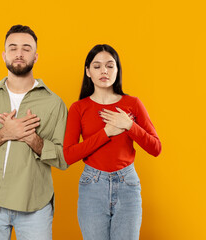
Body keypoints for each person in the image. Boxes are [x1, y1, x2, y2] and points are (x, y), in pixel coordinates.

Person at [0, 25, 68, 240]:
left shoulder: (54, 103)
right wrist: (3, 134)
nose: (19, 53)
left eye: (26, 48)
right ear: (4, 54)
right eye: (13, 47)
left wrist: (32, 139)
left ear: (35, 56)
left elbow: (64, 158)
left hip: (35, 205)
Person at [63, 44, 162, 240]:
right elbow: (69, 155)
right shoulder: (78, 108)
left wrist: (129, 126)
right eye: (97, 66)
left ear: (117, 70)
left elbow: (156, 147)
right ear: (88, 72)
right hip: (92, 185)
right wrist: (106, 132)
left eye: (110, 65)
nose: (104, 71)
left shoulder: (132, 104)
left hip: (128, 185)